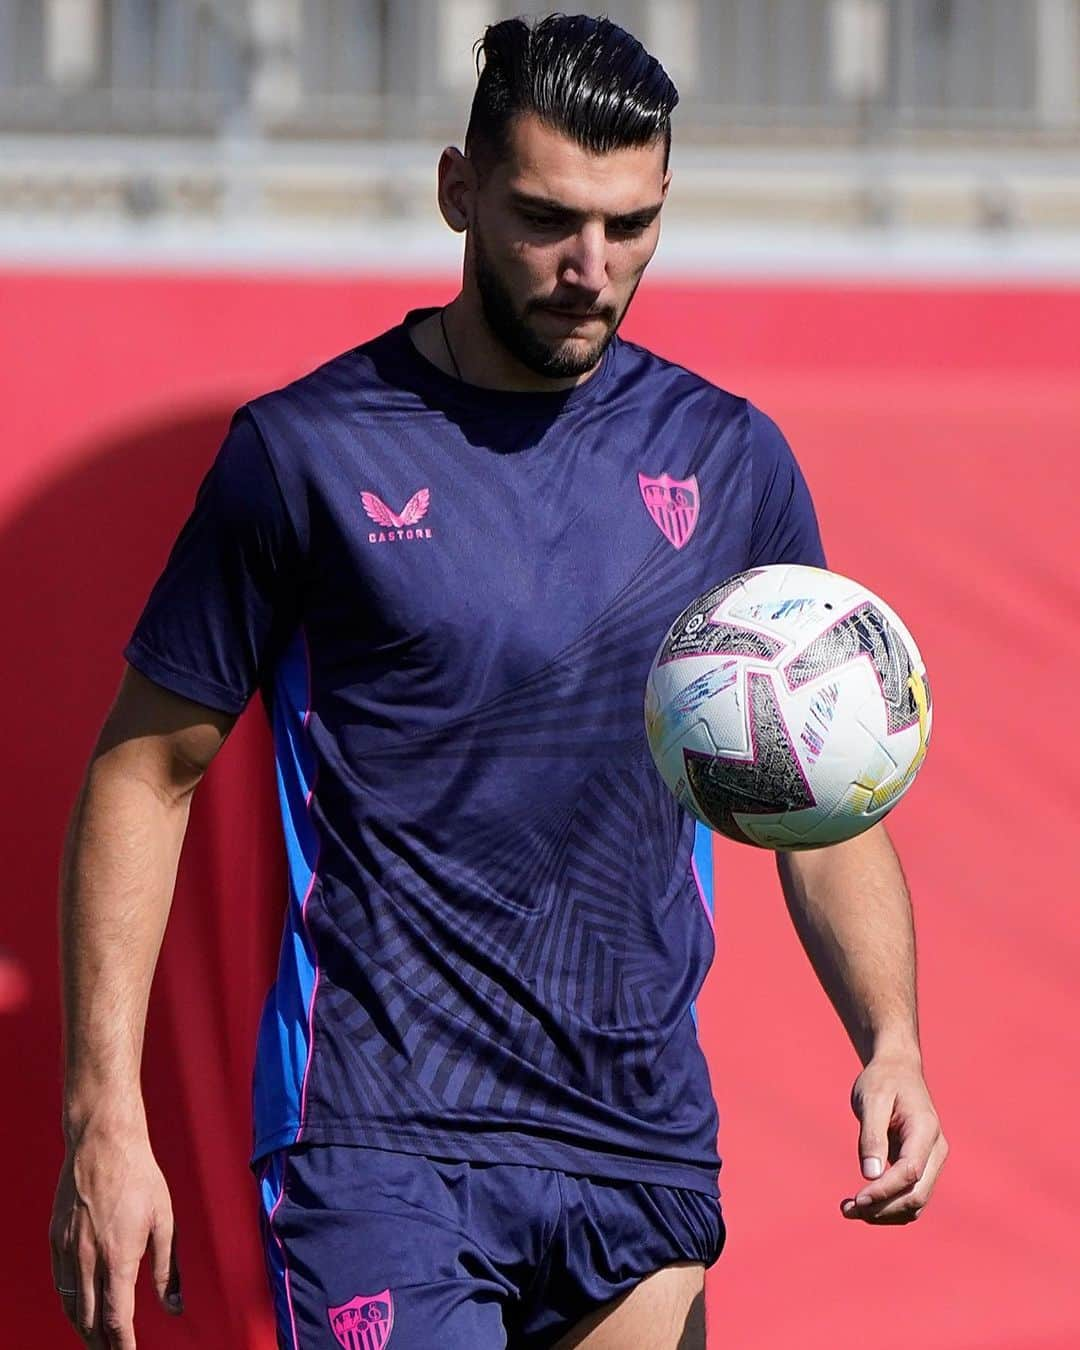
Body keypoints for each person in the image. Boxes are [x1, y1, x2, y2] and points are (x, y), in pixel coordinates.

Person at [50, 14, 948, 1350]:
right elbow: (146, 768)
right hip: (379, 1137)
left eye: (631, 225)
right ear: (458, 190)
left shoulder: (728, 458)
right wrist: (103, 1111)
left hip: (635, 1137)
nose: (592, 267)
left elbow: (819, 799)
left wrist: (892, 1038)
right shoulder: (302, 454)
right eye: (545, 219)